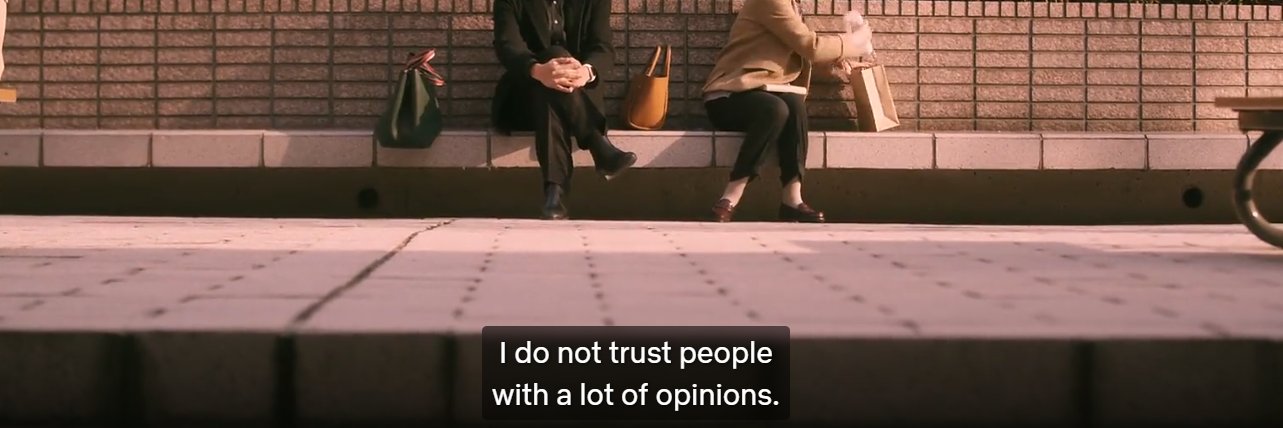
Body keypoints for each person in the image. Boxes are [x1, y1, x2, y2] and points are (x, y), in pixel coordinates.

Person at [702, 1, 872, 222]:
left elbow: (799, 47)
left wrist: (839, 58)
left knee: (794, 103)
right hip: (727, 97)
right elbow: (810, 46)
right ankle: (731, 196)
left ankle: (792, 199)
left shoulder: (791, 5)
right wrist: (855, 41)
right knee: (775, 109)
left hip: (762, 94)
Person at [492, 0, 637, 220]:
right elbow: (507, 45)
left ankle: (555, 191)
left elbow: (603, 47)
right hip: (523, 99)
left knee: (552, 86)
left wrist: (585, 73)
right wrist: (538, 71)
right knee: (554, 56)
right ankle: (596, 142)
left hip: (576, 93)